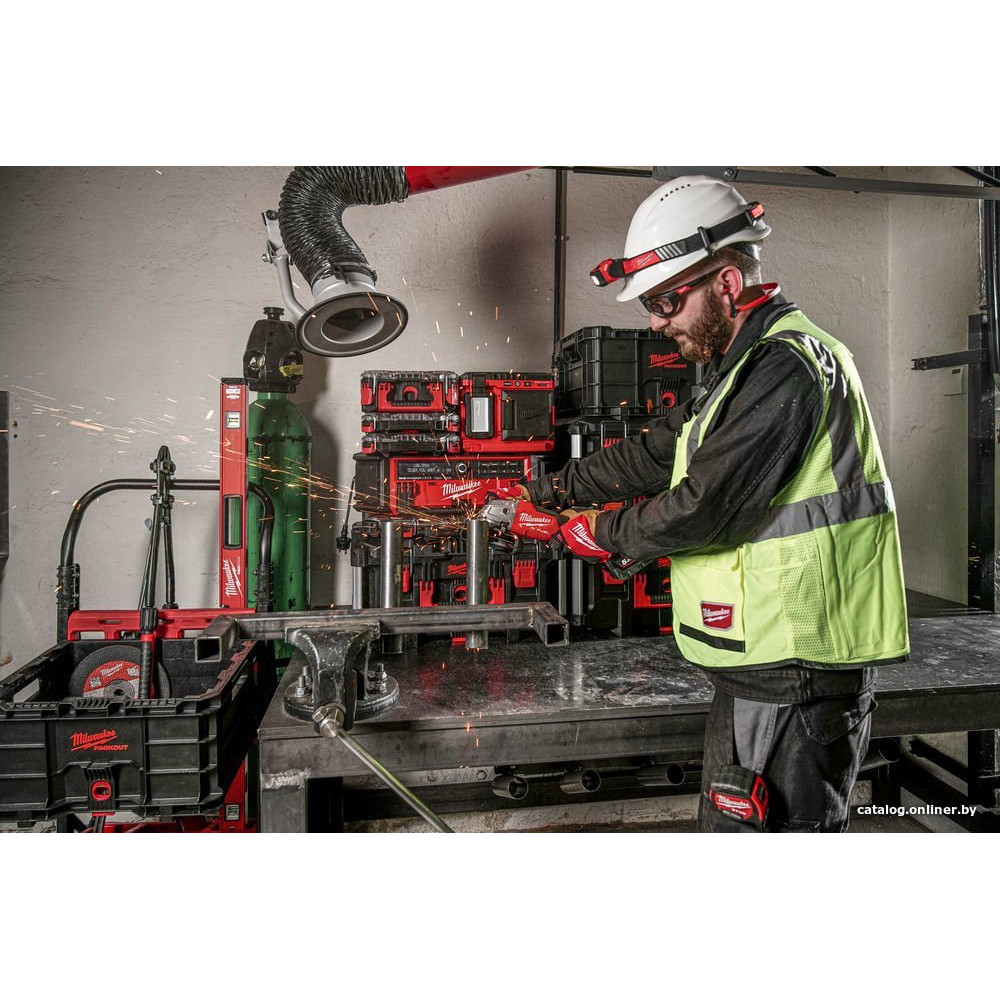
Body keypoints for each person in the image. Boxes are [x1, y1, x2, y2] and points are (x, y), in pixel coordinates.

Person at [504, 174, 909, 832]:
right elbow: (654, 452)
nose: (658, 323)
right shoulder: (736, 371)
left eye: (666, 301)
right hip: (762, 663)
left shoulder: (786, 366)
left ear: (725, 283)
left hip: (796, 667)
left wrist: (593, 532)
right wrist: (545, 491)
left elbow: (702, 508)